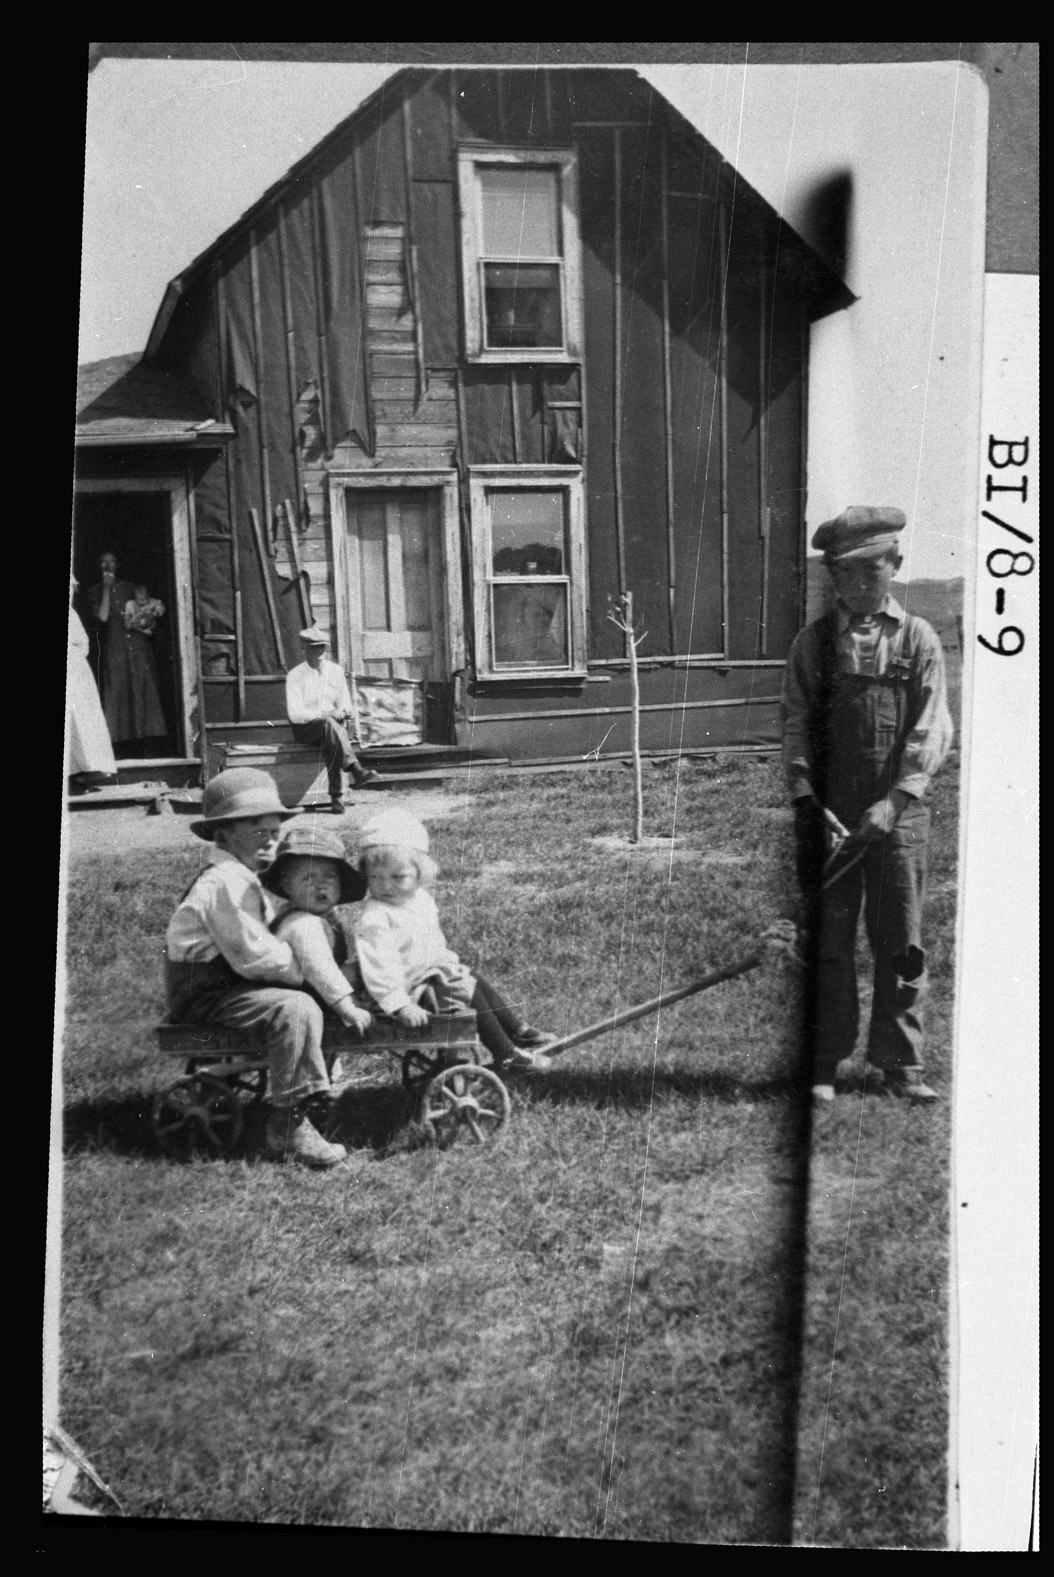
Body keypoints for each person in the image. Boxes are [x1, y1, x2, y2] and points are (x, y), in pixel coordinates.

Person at [780, 506, 954, 1106]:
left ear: (895, 566)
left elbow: (931, 729)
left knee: (900, 943)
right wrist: (807, 799)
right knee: (829, 942)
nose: (856, 584)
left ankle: (900, 1065)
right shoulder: (813, 643)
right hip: (831, 815)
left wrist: (897, 799)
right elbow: (798, 724)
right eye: (844, 573)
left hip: (898, 818)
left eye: (869, 570)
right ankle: (826, 1060)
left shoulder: (918, 639)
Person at [164, 767, 349, 1168]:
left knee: (303, 999)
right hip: (206, 994)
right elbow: (255, 955)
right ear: (224, 834)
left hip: (228, 985)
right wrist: (309, 975)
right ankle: (289, 1123)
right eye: (257, 831)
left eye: (275, 831)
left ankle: (314, 1086)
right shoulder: (224, 883)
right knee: (295, 1009)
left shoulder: (243, 877)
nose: (270, 840)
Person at [351, 808, 556, 1072]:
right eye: (375, 878)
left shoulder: (419, 900)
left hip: (420, 977)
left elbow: (430, 941)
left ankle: (517, 1030)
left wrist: (445, 963)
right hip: (398, 993)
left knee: (470, 976)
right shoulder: (375, 917)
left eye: (398, 877)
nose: (386, 886)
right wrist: (401, 1006)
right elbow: (379, 968)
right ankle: (505, 1054)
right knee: (463, 987)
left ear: (420, 873)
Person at [262, 822, 373, 1088]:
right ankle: (316, 1083)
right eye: (308, 879)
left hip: (315, 993)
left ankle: (330, 1069)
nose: (321, 886)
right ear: (286, 885)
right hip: (302, 998)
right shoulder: (303, 924)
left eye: (330, 878)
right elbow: (322, 972)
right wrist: (349, 1009)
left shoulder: (323, 918)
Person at [285, 626, 379, 814]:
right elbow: (295, 714)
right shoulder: (295, 676)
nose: (319, 652)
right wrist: (325, 714)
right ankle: (353, 770)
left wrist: (343, 711)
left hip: (331, 728)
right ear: (305, 648)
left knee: (331, 734)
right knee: (330, 726)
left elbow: (345, 702)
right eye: (314, 647)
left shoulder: (335, 671)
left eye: (323, 647)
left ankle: (337, 799)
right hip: (306, 729)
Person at [87, 551, 166, 751]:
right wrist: (106, 587)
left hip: (138, 646)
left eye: (111, 561)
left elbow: (151, 613)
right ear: (99, 567)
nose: (107, 566)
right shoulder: (94, 591)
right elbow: (103, 616)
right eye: (103, 562)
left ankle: (147, 744)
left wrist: (144, 619)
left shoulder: (132, 588)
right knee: (117, 689)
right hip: (116, 648)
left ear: (118, 564)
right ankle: (120, 747)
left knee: (142, 688)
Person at [67, 575, 117, 789]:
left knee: (84, 718)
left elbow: (83, 645)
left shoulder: (72, 614)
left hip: (77, 672)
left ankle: (88, 769)